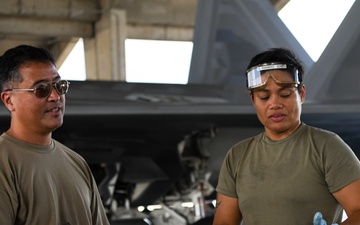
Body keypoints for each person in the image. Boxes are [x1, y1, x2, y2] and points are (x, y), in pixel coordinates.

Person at [212, 48, 360, 225]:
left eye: (285, 94)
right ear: (253, 100)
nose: (275, 104)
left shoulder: (326, 147)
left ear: (302, 94)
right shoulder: (237, 156)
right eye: (264, 96)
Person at [0, 45, 110, 225]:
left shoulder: (77, 163)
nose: (55, 96)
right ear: (9, 100)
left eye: (60, 86)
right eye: (41, 89)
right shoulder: (4, 163)